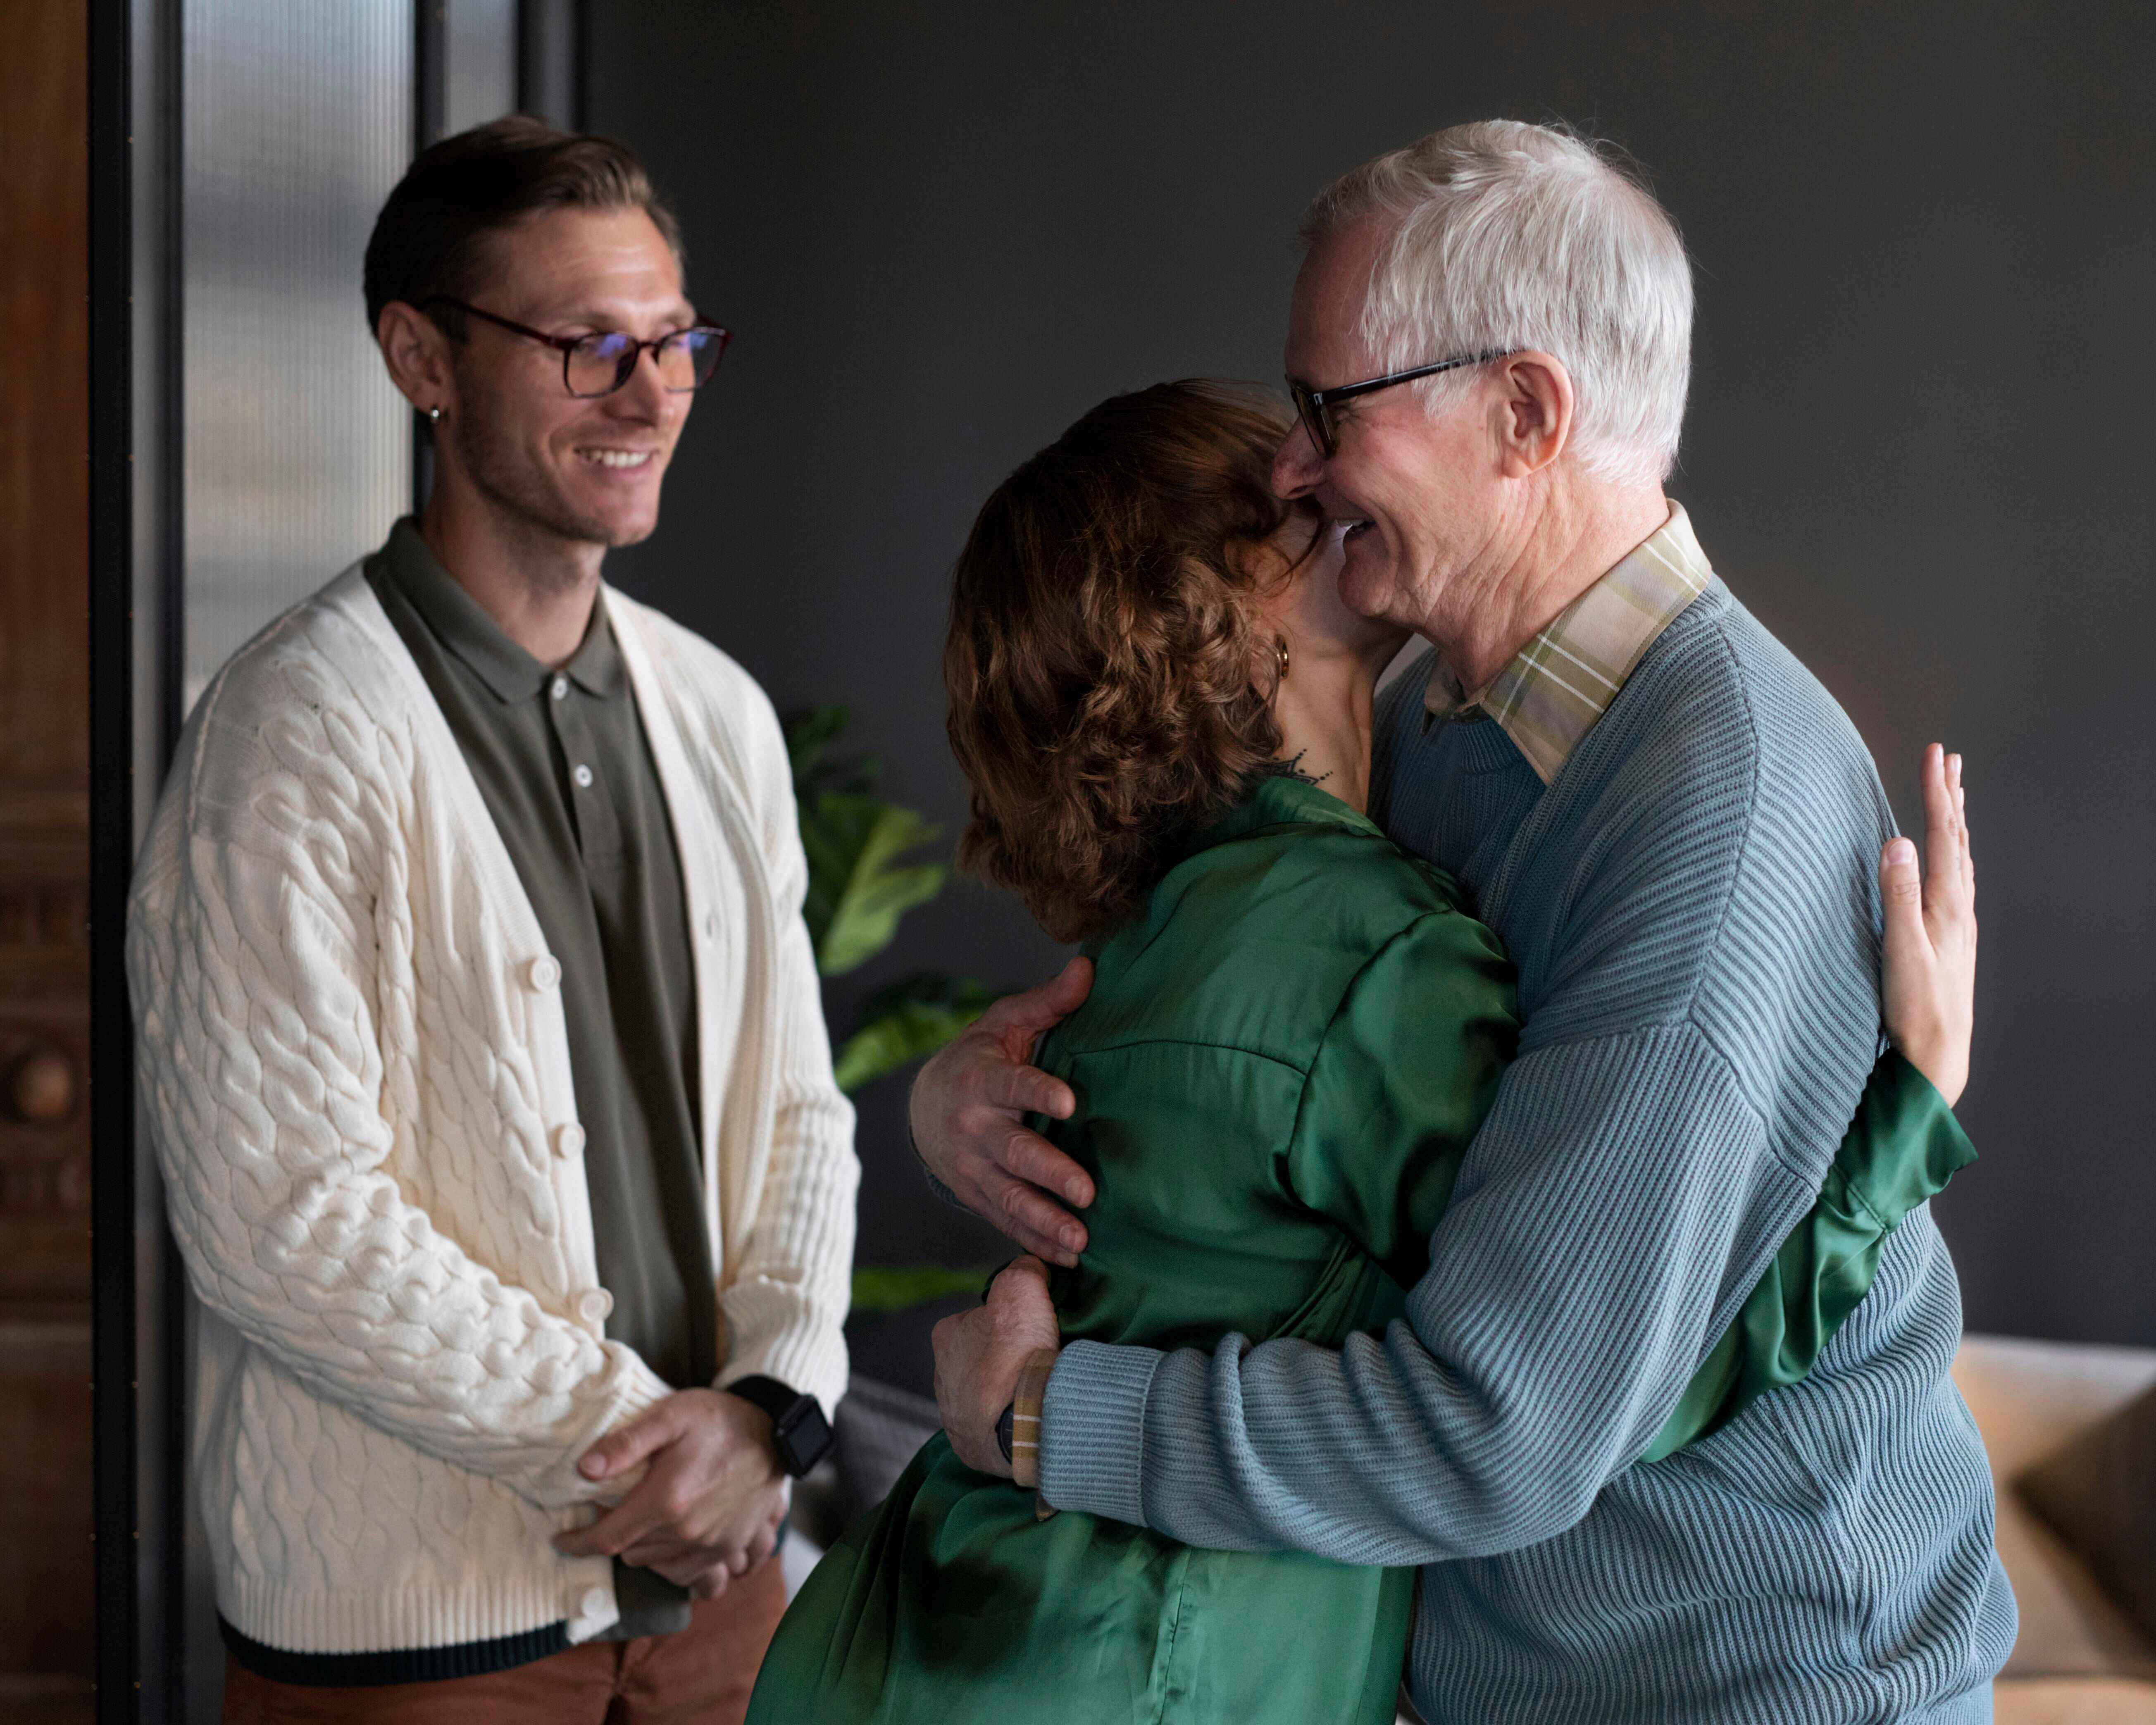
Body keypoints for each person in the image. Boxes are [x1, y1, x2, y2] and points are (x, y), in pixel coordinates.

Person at [920, 124, 2012, 1723]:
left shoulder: (1719, 808)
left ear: (1523, 413)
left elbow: (1502, 1430)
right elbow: (1259, 1045)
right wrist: (972, 1090)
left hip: (1747, 1691)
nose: (1289, 468)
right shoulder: (1446, 723)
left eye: (1327, 410)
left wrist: (1042, 1418)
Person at [126, 117, 858, 1724]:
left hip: (728, 1599)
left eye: (673, 344)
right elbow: (288, 1217)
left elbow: (799, 1114)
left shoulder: (719, 716)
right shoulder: (294, 727)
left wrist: (769, 1411)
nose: (650, 392)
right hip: (424, 1633)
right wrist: (648, 1440)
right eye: (588, 345)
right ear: (422, 358)